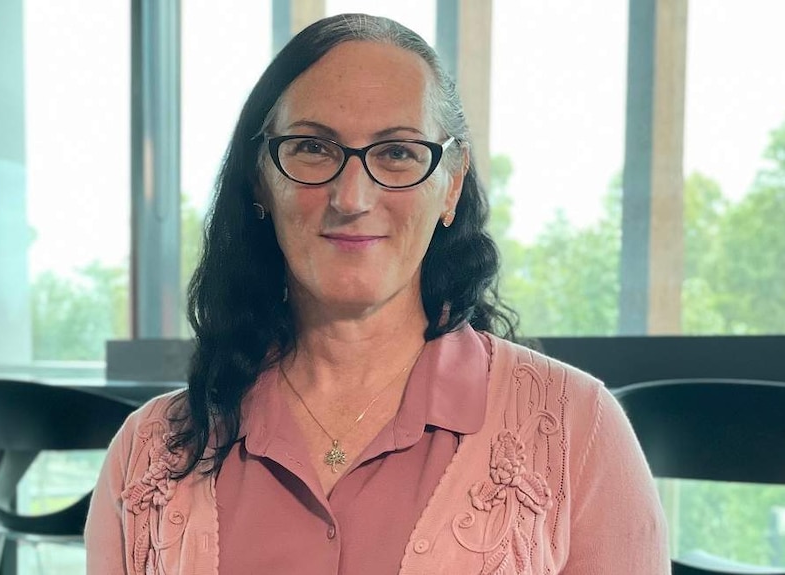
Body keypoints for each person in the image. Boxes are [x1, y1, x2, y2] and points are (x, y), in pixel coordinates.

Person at [85, 13, 669, 574]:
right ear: (259, 178)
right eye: (312, 147)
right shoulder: (147, 455)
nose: (352, 197)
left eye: (397, 153)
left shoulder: (577, 429)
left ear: (451, 184)